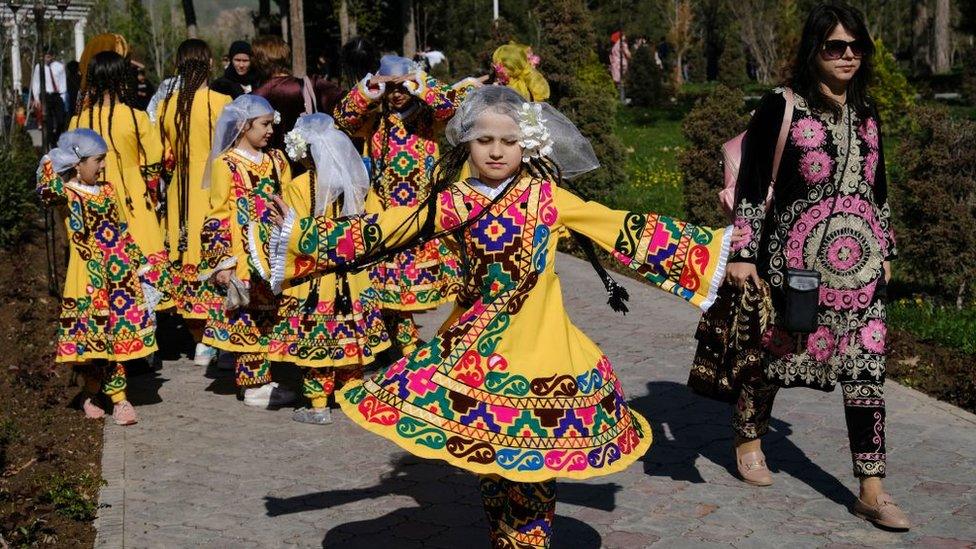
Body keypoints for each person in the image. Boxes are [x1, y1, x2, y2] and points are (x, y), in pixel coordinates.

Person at [268, 85, 734, 548]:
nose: (495, 151)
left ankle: (526, 542)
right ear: (466, 142)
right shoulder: (455, 200)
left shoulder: (547, 199)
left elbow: (619, 227)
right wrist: (299, 235)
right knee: (490, 461)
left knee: (533, 467)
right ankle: (506, 538)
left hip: (540, 352)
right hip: (474, 353)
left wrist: (715, 252)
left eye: (508, 141)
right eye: (484, 140)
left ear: (527, 144)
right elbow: (389, 229)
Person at [725, 3, 907, 531]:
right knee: (773, 361)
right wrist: (743, 253)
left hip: (861, 272)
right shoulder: (781, 106)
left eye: (856, 46)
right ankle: (748, 435)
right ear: (815, 49)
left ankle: (872, 488)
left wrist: (887, 250)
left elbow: (879, 185)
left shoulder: (867, 111)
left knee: (868, 374)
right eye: (835, 46)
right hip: (795, 268)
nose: (848, 55)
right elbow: (754, 184)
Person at [333, 55, 470, 355]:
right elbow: (342, 119)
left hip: (423, 209)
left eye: (402, 86)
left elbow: (455, 106)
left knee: (416, 282)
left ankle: (416, 340)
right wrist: (368, 88)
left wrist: (422, 85)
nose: (396, 93)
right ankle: (403, 342)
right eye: (390, 87)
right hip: (386, 210)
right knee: (390, 283)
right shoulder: (375, 118)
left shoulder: (426, 114)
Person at [36, 129, 166, 426]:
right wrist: (50, 160)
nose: (103, 166)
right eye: (98, 160)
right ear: (78, 162)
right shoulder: (66, 193)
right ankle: (108, 398)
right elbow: (46, 191)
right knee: (97, 343)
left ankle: (103, 397)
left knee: (115, 341)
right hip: (88, 277)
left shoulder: (107, 190)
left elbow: (120, 230)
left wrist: (140, 265)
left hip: (118, 275)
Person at [269, 113, 392, 424]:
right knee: (349, 339)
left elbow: (290, 230)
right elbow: (374, 225)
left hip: (313, 279)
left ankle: (319, 405)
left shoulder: (299, 185)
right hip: (351, 278)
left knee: (318, 343)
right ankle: (351, 397)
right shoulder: (357, 183)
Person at [199, 94, 296, 408]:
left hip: (275, 253)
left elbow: (289, 201)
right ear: (243, 126)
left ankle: (265, 376)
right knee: (248, 319)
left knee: (269, 317)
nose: (270, 131)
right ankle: (254, 385)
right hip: (243, 256)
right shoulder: (225, 164)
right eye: (264, 124)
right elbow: (217, 214)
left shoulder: (278, 161)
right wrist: (221, 262)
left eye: (271, 124)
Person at [70, 51, 171, 312]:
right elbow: (153, 160)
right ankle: (146, 338)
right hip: (133, 198)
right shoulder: (136, 118)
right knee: (143, 262)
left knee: (100, 266)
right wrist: (153, 192)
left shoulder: (79, 121)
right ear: (121, 79)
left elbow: (69, 166)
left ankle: (106, 333)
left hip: (92, 201)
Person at [157, 39, 233, 366]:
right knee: (214, 258)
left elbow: (165, 158)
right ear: (210, 63)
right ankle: (220, 338)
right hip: (213, 188)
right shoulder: (222, 102)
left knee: (185, 258)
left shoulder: (166, 106)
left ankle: (199, 339)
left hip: (180, 193)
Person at [251, 35, 343, 166]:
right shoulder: (311, 85)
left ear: (259, 61)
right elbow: (347, 103)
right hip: (308, 171)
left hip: (269, 172)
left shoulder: (253, 98)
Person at [30, 49, 68, 144]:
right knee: (48, 122)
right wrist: (36, 98)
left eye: (48, 56)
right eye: (45, 56)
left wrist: (63, 97)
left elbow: (63, 82)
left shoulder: (59, 67)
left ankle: (56, 137)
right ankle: (52, 143)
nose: (46, 59)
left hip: (56, 95)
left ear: (52, 56)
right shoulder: (39, 67)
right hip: (45, 95)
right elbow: (35, 82)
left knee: (61, 120)